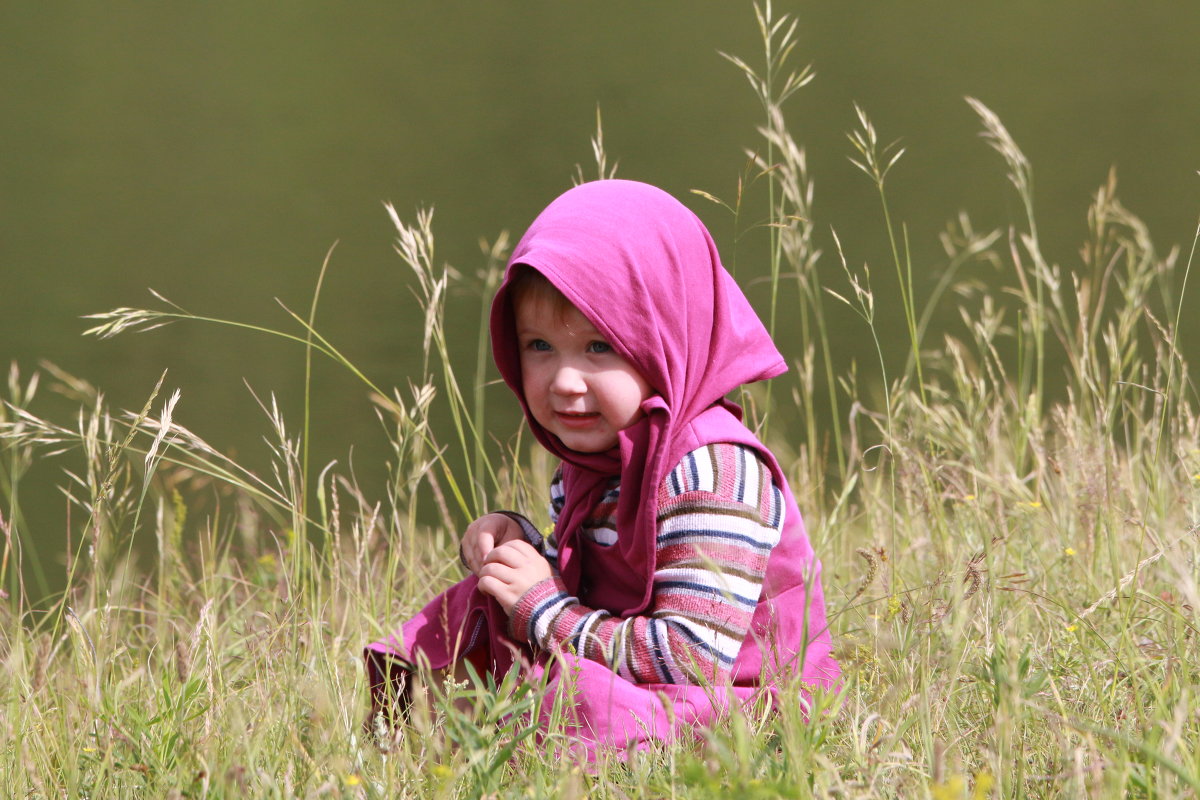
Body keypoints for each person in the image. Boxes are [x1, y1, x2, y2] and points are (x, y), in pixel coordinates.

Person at [365, 179, 839, 755]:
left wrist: (544, 608)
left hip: (739, 705)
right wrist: (526, 550)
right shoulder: (593, 460)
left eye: (598, 348)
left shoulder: (712, 472)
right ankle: (443, 752)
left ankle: (514, 750)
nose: (564, 381)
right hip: (641, 679)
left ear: (666, 340)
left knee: (583, 696)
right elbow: (595, 593)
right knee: (483, 598)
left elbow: (690, 657)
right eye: (539, 346)